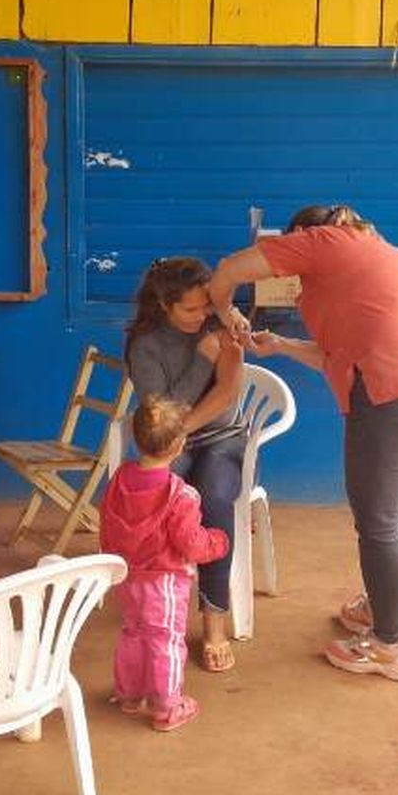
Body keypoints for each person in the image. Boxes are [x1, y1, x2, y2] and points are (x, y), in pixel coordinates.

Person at [208, 204, 398, 682]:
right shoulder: (382, 256)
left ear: (304, 235)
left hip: (395, 398)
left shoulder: (324, 242)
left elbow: (229, 270)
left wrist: (224, 308)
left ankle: (391, 647)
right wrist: (284, 347)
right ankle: (381, 612)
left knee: (379, 527)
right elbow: (337, 355)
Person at [123, 257, 246, 673]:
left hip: (220, 440)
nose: (201, 316)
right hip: (169, 440)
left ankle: (214, 622)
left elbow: (227, 393)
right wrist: (201, 360)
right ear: (164, 305)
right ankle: (155, 606)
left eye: (206, 306)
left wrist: (181, 433)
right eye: (190, 309)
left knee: (213, 499)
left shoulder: (220, 328)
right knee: (155, 497)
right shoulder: (145, 346)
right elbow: (162, 409)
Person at [100, 395, 229, 732]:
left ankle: (130, 694)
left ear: (138, 440)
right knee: (166, 640)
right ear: (179, 445)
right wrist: (218, 542)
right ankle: (168, 706)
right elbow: (191, 542)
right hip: (165, 582)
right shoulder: (180, 495)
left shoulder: (120, 480)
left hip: (128, 576)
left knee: (134, 632)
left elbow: (107, 524)